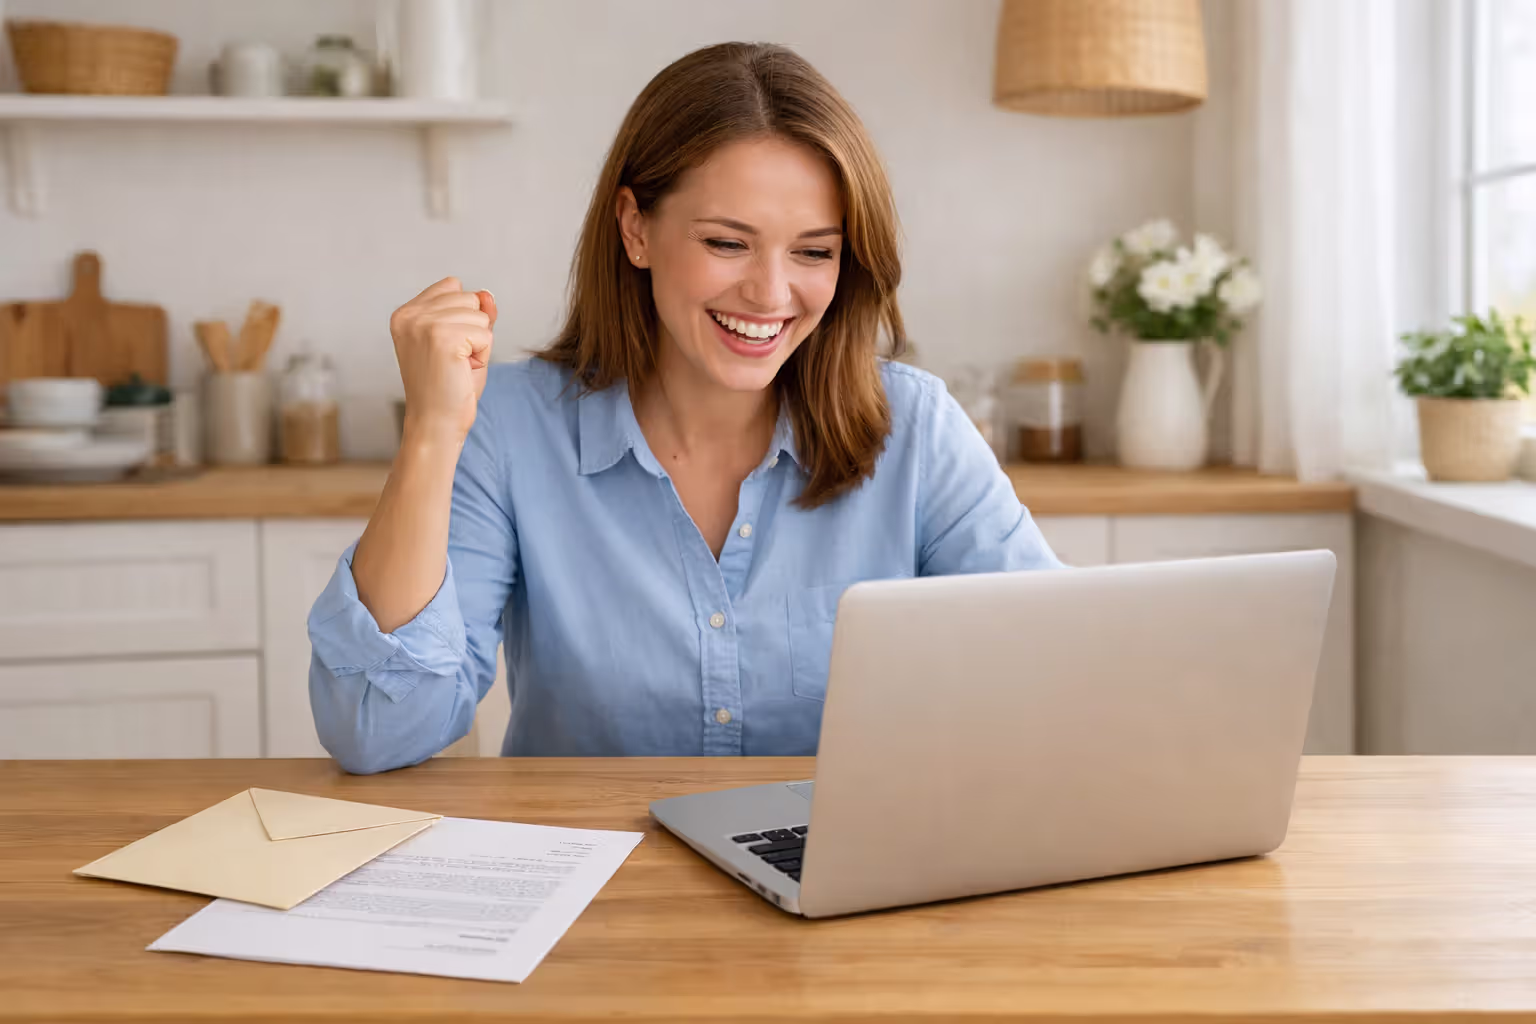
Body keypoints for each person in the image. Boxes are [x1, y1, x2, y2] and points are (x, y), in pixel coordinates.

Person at [307, 41, 1062, 775]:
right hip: (599, 886)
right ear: (636, 228)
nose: (771, 295)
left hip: (845, 888)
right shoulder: (509, 426)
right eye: (728, 243)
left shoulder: (917, 427)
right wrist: (433, 433)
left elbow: (1055, 681)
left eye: (813, 252)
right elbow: (376, 731)